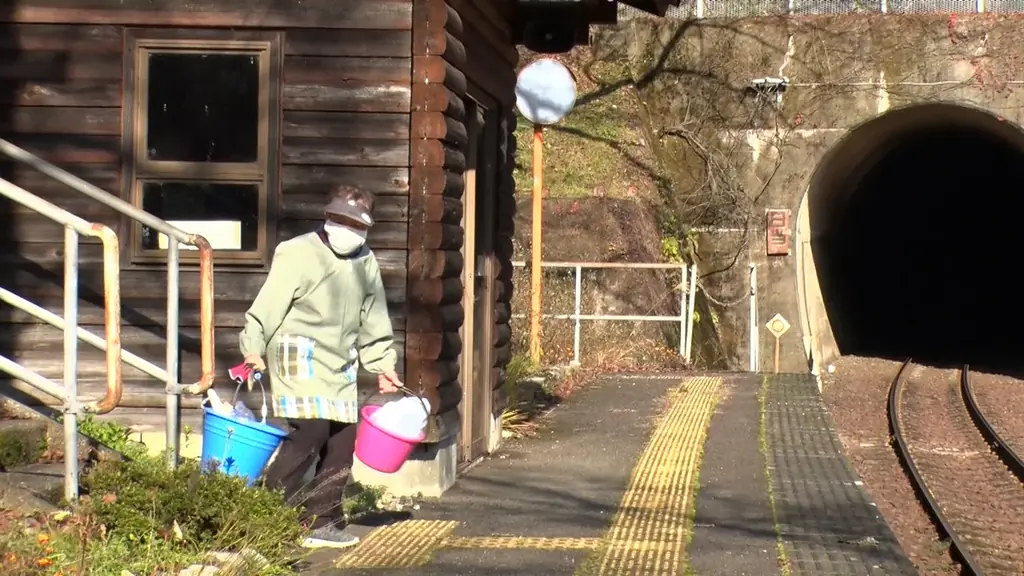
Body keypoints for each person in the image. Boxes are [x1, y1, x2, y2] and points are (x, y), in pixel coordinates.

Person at [238, 185, 403, 549]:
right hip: (299, 353)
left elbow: (374, 319)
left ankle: (321, 520)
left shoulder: (366, 261)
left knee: (343, 440)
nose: (345, 228)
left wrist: (382, 364)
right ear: (327, 218)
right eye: (339, 219)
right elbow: (268, 305)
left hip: (340, 361)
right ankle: (262, 514)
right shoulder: (297, 252)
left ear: (365, 227)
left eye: (353, 223)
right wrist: (253, 348)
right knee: (310, 432)